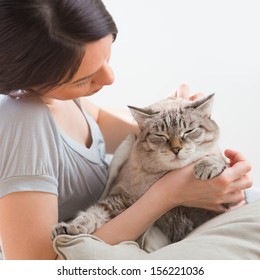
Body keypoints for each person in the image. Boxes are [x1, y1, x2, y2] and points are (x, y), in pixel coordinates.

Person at [0, 0, 252, 260]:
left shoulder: (61, 96)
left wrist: (171, 117)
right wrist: (167, 195)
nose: (110, 78)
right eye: (84, 79)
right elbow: (37, 266)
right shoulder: (21, 122)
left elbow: (101, 120)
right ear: (31, 77)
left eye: (107, 57)